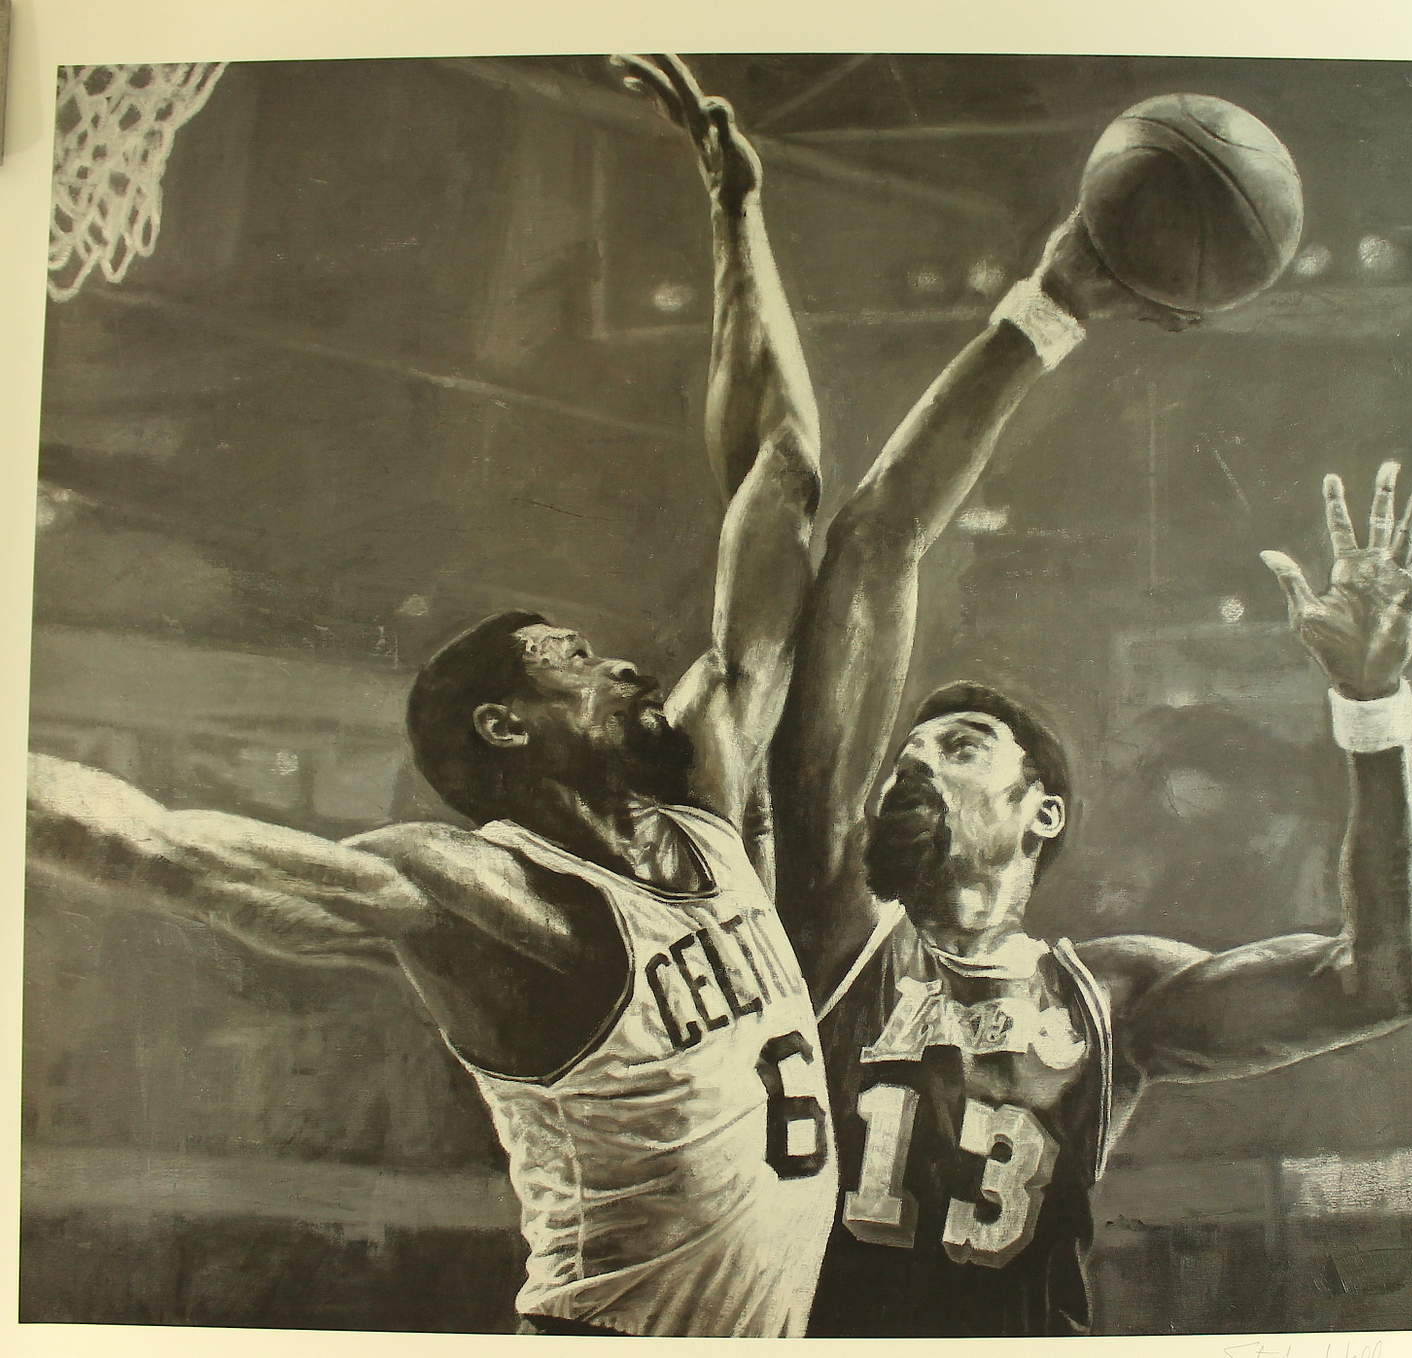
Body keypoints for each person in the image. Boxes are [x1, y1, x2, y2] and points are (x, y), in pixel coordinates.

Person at [27, 56, 836, 1340]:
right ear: (506, 724)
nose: (627, 664)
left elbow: (779, 479)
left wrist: (737, 212)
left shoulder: (706, 794)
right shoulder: (489, 898)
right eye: (575, 657)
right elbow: (162, 847)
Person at [767, 211, 1412, 1335]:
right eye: (906, 751)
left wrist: (1373, 706)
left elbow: (1383, 982)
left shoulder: (1111, 997)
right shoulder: (837, 924)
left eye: (961, 744)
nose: (914, 762)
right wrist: (1044, 310)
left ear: (1043, 811)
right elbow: (875, 543)